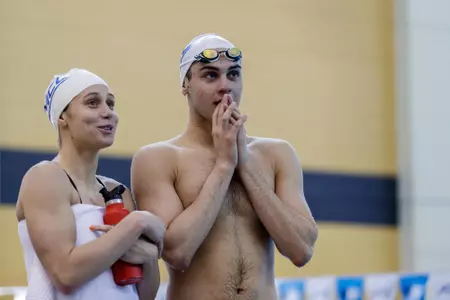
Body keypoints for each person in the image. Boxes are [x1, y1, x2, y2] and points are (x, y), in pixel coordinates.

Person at [131, 33, 319, 299]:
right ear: (185, 84)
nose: (225, 86)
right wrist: (223, 165)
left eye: (233, 75)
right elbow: (177, 252)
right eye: (210, 76)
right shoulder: (158, 159)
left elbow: (301, 250)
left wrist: (244, 162)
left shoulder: (276, 154)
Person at [16, 68, 165, 300]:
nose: (108, 113)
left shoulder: (118, 192)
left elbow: (144, 294)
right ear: (62, 117)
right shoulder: (45, 178)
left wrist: (148, 258)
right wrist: (138, 222)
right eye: (93, 103)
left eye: (111, 104)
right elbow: (66, 274)